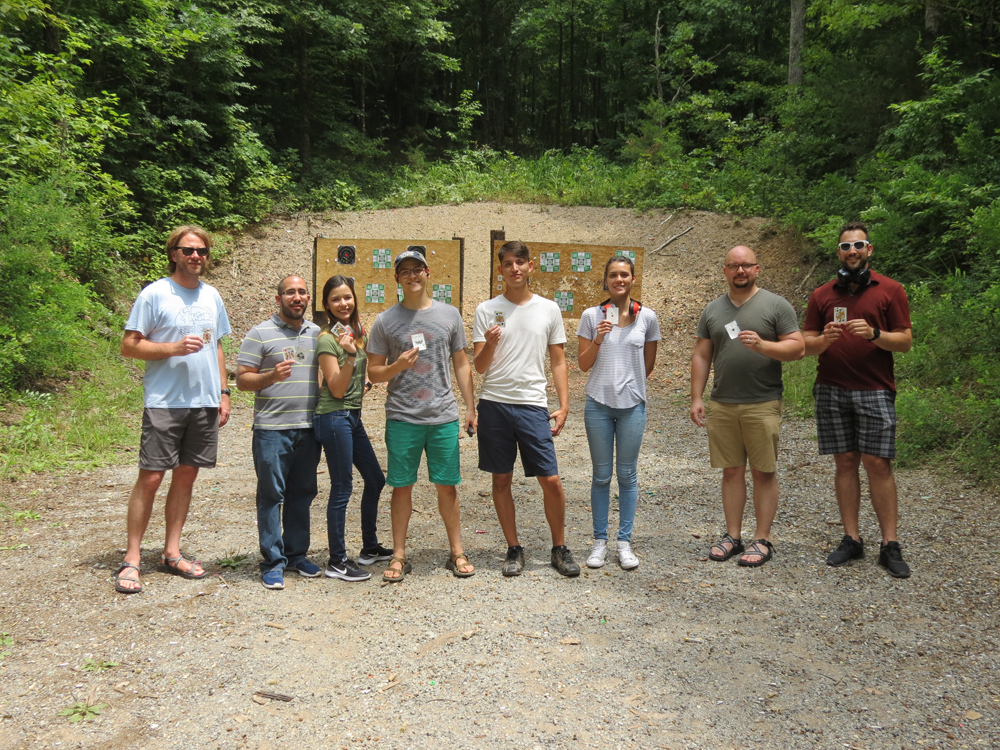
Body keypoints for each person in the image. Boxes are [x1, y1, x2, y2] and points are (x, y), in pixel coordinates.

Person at [115, 225, 232, 593]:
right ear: (174, 254)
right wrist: (172, 349)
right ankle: (132, 559)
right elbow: (129, 346)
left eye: (202, 251)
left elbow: (216, 347)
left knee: (186, 476)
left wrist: (224, 392)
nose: (196, 256)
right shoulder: (154, 294)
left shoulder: (212, 295)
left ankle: (171, 551)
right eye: (188, 250)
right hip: (165, 401)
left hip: (203, 401)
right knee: (151, 477)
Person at [803, 222, 913, 578]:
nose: (852, 252)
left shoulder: (891, 290)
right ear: (838, 252)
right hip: (831, 388)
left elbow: (905, 341)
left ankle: (890, 544)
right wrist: (824, 339)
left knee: (878, 464)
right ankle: (851, 538)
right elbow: (805, 342)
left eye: (859, 245)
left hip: (875, 389)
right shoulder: (822, 294)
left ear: (870, 250)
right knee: (845, 463)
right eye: (846, 247)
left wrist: (876, 333)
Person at [366, 250, 477, 582]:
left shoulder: (450, 315)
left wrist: (471, 407)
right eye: (404, 272)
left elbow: (461, 362)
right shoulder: (385, 321)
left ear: (428, 273)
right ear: (397, 279)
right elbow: (374, 371)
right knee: (401, 487)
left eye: (417, 270)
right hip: (403, 417)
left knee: (448, 487)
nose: (412, 276)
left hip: (443, 415)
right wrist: (398, 366)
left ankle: (457, 551)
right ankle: (399, 555)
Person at [690, 246, 804, 567]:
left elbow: (797, 348)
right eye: (733, 266)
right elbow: (701, 355)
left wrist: (764, 345)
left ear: (757, 269)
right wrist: (697, 397)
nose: (740, 271)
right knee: (731, 471)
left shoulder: (776, 305)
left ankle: (762, 539)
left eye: (746, 266)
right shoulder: (713, 310)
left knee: (764, 472)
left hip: (763, 401)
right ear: (725, 271)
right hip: (723, 403)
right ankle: (733, 536)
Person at [473, 240, 581, 578]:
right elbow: (478, 366)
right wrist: (489, 345)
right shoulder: (486, 310)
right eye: (508, 264)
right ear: (501, 269)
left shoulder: (548, 309)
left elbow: (559, 360)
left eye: (521, 262)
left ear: (530, 266)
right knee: (501, 478)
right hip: (494, 404)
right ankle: (513, 548)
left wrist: (563, 406)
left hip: (533, 404)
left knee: (550, 480)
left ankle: (559, 547)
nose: (515, 269)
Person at [236, 275, 322, 590]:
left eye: (301, 292)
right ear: (278, 298)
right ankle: (273, 562)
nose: (296, 297)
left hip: (308, 428)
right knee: (272, 495)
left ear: (308, 298)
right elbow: (242, 380)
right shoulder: (259, 334)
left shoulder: (316, 333)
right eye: (290, 293)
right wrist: (270, 376)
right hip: (271, 429)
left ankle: (297, 555)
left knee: (302, 494)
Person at [577, 256, 661, 569]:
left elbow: (647, 365)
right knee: (601, 476)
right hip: (597, 403)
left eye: (624, 274)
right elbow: (583, 364)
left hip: (633, 405)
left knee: (627, 474)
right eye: (613, 275)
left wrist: (630, 386)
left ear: (633, 279)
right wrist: (599, 338)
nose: (619, 280)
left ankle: (624, 542)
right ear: (606, 280)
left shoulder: (647, 317)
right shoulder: (591, 315)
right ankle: (600, 541)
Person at [313, 275, 392, 583]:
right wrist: (347, 357)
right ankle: (337, 561)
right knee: (342, 488)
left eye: (347, 297)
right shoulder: (327, 339)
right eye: (336, 299)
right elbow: (334, 388)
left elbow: (357, 377)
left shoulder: (354, 332)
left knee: (375, 479)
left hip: (351, 417)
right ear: (326, 305)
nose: (343, 303)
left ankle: (369, 548)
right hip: (333, 417)